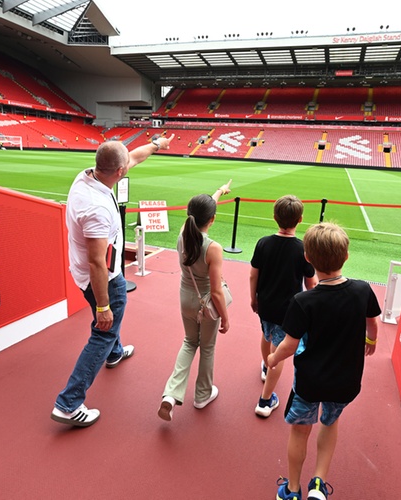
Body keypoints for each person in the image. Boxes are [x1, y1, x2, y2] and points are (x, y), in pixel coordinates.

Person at [51, 133, 175, 428]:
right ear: (119, 172)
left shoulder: (87, 177)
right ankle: (68, 403)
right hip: (103, 279)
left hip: (83, 272)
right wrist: (103, 306)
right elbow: (98, 262)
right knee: (104, 330)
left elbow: (134, 156)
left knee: (110, 330)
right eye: (125, 165)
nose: (129, 165)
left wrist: (158, 145)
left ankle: (115, 353)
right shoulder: (97, 209)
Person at [267, 222, 380, 500]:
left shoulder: (303, 301)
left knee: (300, 430)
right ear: (346, 256)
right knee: (330, 424)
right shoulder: (363, 290)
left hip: (309, 382)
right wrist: (371, 342)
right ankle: (319, 485)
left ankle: (292, 490)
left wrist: (272, 358)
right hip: (345, 381)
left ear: (307, 257)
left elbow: (289, 345)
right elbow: (372, 324)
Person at [157, 180, 233, 422]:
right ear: (212, 220)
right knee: (207, 347)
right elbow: (216, 291)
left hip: (185, 298)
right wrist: (226, 318)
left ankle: (171, 394)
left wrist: (219, 191)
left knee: (190, 342)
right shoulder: (213, 248)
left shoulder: (183, 234)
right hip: (206, 303)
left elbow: (201, 211)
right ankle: (202, 395)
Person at [250, 195, 317, 418]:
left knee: (266, 334)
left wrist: (253, 298)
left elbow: (254, 275)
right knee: (277, 353)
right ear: (300, 219)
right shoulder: (302, 249)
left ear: (274, 217)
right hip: (288, 311)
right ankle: (265, 400)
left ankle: (265, 365)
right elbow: (311, 283)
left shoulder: (263, 243)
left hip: (265, 305)